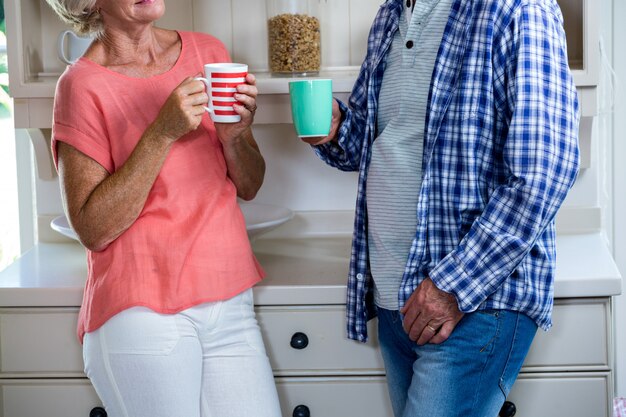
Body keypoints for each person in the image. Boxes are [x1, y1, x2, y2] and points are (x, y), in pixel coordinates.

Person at [304, 0, 580, 416]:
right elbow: (375, 141)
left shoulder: (518, 9)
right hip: (395, 294)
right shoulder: (390, 15)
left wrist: (450, 287)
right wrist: (337, 126)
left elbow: (542, 173)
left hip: (471, 303)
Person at [45, 1, 281, 416]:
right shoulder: (81, 85)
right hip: (141, 312)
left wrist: (233, 137)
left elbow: (250, 184)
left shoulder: (208, 52)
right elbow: (92, 227)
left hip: (229, 301)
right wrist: (160, 133)